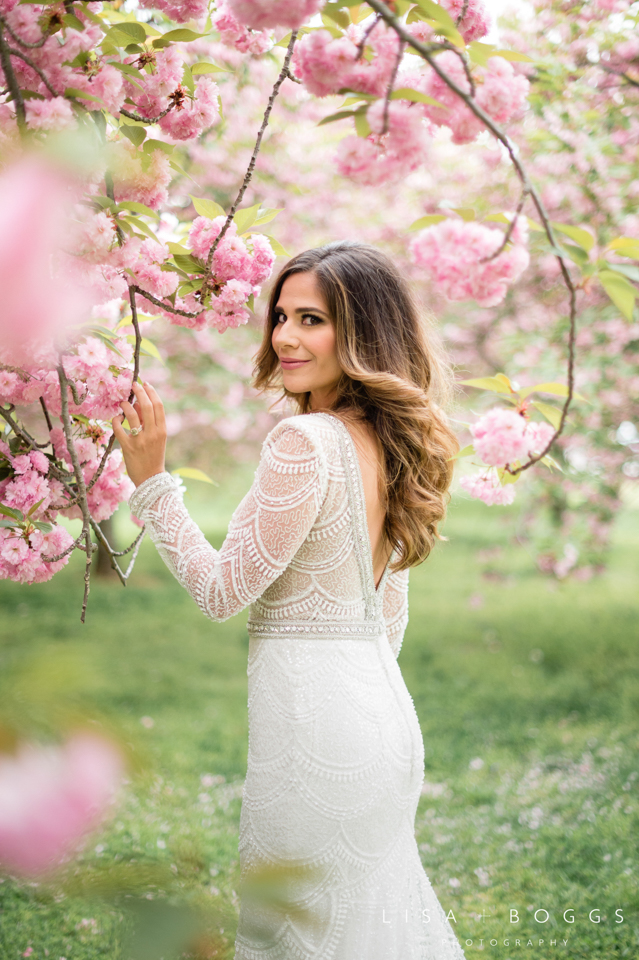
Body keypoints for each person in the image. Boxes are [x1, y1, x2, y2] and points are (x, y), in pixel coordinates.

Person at [113, 241, 466, 960]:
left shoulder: (303, 442)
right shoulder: (392, 442)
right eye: (281, 316)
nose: (284, 337)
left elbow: (222, 592)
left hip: (318, 727)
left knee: (294, 937)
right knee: (368, 925)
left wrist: (152, 483)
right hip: (383, 713)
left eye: (313, 319)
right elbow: (386, 611)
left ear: (363, 333)